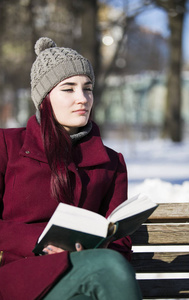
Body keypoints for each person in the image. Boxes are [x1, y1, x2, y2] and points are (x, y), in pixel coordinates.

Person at [0, 37, 142, 300]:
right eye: (69, 89)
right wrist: (40, 241)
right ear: (45, 97)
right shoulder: (7, 146)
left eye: (87, 88)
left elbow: (119, 241)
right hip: (20, 278)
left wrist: (92, 249)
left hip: (86, 274)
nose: (83, 99)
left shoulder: (112, 162)